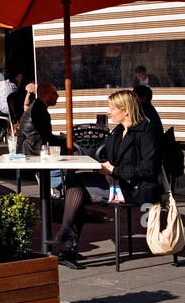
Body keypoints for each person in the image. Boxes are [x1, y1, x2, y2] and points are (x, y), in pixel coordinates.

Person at [52, 89, 162, 270]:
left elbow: (149, 170)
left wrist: (114, 169)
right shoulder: (119, 131)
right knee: (75, 183)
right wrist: (105, 167)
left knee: (77, 192)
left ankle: (67, 242)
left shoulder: (147, 132)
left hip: (134, 187)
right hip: (116, 180)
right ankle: (67, 241)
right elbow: (114, 160)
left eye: (112, 108)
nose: (109, 112)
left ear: (125, 110)